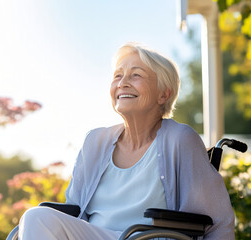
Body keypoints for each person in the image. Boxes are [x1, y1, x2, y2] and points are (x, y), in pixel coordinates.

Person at [14, 42, 235, 239]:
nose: (123, 83)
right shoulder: (95, 142)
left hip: (147, 238)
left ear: (163, 94)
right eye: (118, 75)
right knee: (37, 217)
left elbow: (217, 221)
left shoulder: (180, 140)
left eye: (136, 75)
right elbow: (73, 208)